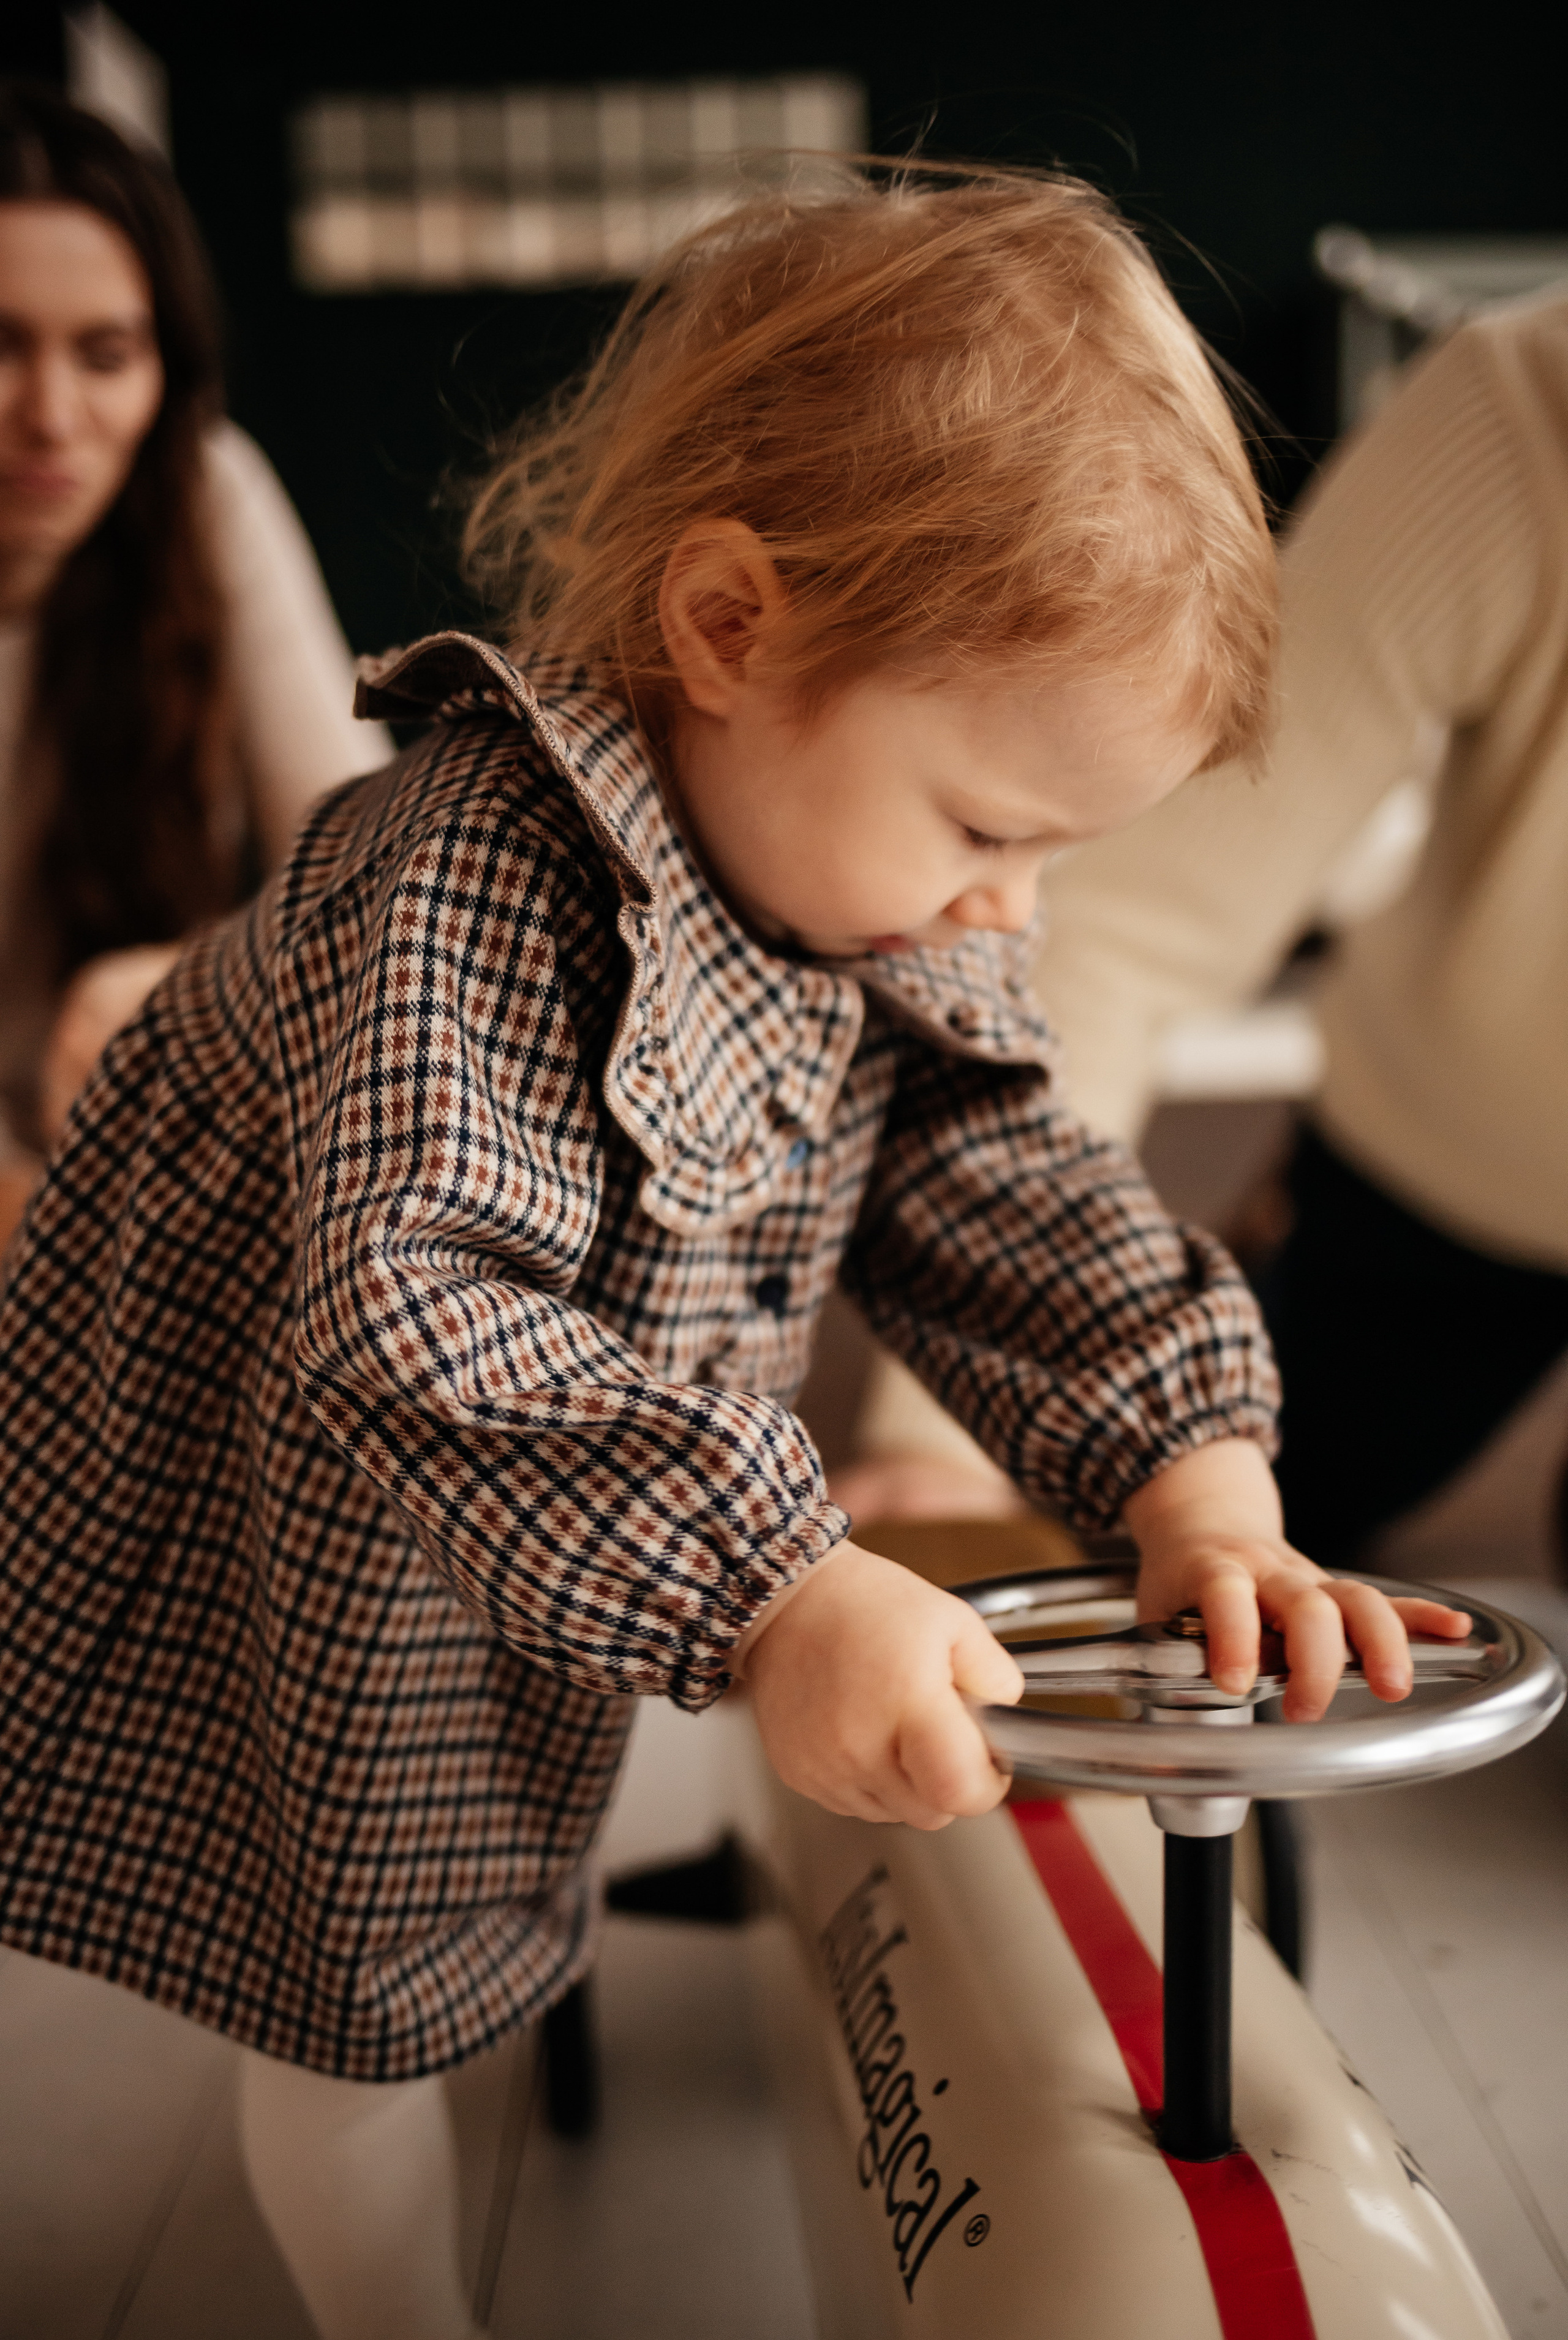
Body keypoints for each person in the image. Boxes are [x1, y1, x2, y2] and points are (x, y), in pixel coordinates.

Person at [0, 165, 1465, 2340]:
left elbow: (1002, 1178)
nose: (1013, 911)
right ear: (729, 628)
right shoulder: (455, 879)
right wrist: (771, 1586)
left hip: (535, 1508)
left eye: (1055, 854)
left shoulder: (851, 880)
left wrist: (1197, 1471)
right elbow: (421, 1309)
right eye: (989, 827)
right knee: (348, 2000)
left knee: (493, 1905)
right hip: (284, 1499)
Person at [1030, 288, 1568, 1563]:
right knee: (1215, 1567)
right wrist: (945, 1441)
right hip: (1439, 1175)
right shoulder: (1519, 399)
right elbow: (1119, 924)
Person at [0, 82, 385, 1242]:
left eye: (107, 354)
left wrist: (202, 981)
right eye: (0, 347)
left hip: (135, 1175)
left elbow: (366, 865)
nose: (53, 415)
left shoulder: (208, 496)